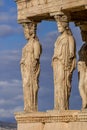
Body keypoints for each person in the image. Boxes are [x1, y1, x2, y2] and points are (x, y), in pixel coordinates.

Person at [52, 15, 76, 110]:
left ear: (64, 26)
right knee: (57, 84)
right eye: (57, 26)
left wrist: (66, 62)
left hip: (64, 65)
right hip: (57, 64)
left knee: (63, 84)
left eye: (59, 26)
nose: (58, 28)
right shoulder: (58, 38)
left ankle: (63, 106)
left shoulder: (70, 38)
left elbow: (71, 53)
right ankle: (58, 106)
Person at [20, 22, 42, 112]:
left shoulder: (35, 43)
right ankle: (28, 106)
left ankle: (32, 107)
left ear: (31, 32)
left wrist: (31, 66)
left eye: (26, 32)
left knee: (30, 85)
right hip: (25, 68)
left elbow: (36, 56)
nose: (25, 34)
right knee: (25, 86)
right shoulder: (27, 44)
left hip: (31, 68)